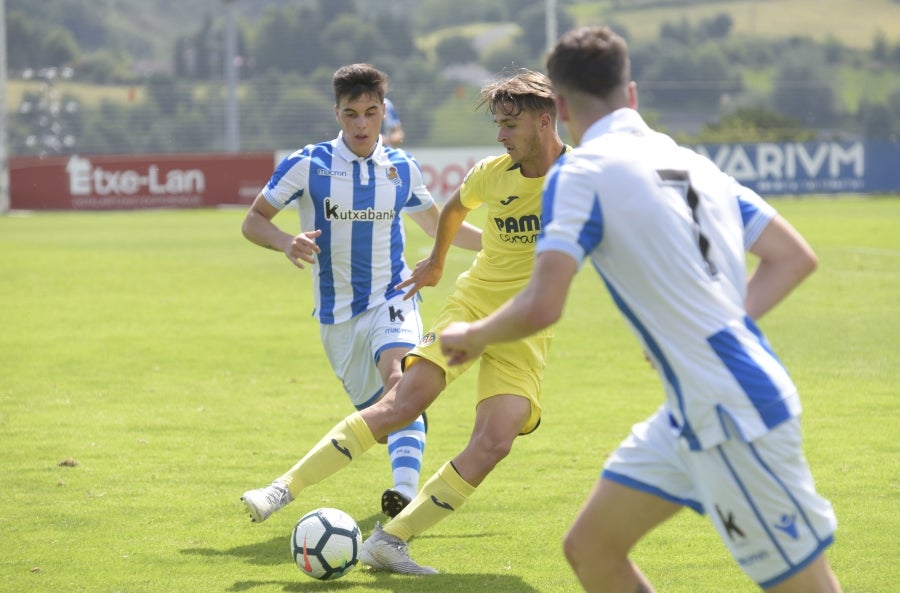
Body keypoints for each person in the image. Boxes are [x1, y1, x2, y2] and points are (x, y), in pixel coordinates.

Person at [439, 26, 842, 593]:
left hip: (731, 414)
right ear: (630, 93)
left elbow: (542, 304)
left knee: (805, 586)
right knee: (591, 549)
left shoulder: (581, 172)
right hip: (689, 409)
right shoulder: (693, 163)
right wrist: (717, 329)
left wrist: (474, 335)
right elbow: (792, 257)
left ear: (560, 108)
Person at [240, 68, 569, 574]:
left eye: (509, 125)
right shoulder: (491, 172)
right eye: (498, 124)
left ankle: (389, 539)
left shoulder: (584, 179)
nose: (500, 136)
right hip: (469, 306)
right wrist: (436, 263)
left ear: (544, 122)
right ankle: (283, 488)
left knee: (495, 441)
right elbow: (454, 210)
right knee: (404, 402)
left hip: (524, 325)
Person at [240, 63, 482, 522]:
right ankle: (397, 468)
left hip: (394, 296)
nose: (361, 125)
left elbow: (438, 226)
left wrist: (500, 242)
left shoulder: (401, 168)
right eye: (351, 114)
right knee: (386, 421)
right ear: (337, 113)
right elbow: (253, 220)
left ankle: (403, 494)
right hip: (337, 317)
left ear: (383, 111)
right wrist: (285, 241)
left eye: (371, 113)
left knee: (401, 382)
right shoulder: (308, 164)